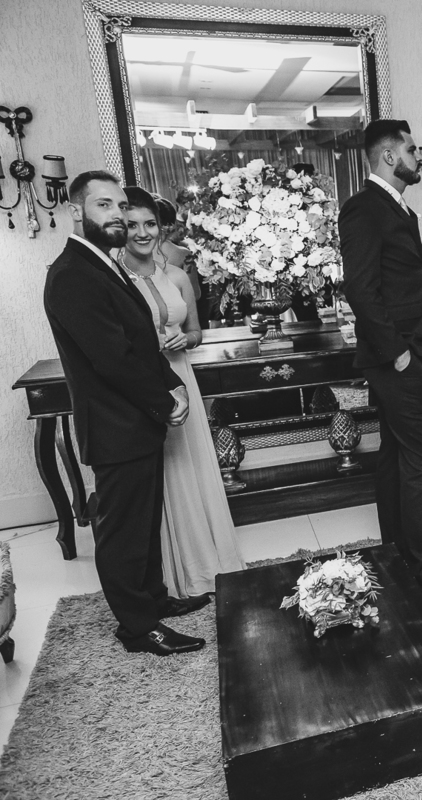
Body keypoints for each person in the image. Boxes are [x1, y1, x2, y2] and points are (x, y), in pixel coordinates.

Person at [43, 171, 207, 655]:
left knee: (143, 521)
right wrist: (164, 401)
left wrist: (172, 384)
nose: (116, 214)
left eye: (119, 205)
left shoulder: (104, 264)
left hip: (136, 420)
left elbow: (140, 342)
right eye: (103, 205)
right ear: (76, 211)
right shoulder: (72, 273)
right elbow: (112, 358)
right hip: (116, 425)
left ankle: (154, 599)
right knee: (121, 532)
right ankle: (138, 627)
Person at [339, 119, 422, 611]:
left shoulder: (399, 207)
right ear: (389, 156)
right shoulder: (363, 208)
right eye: (412, 150)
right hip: (393, 356)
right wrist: (397, 351)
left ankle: (400, 552)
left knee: (397, 455)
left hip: (406, 349)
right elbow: (361, 289)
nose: (419, 158)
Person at [118, 187, 244, 597]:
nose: (143, 233)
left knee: (190, 464)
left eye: (150, 224)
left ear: (161, 227)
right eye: (132, 225)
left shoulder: (176, 274)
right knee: (160, 471)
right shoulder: (113, 279)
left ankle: (205, 560)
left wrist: (184, 340)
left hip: (179, 374)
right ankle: (166, 574)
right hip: (141, 380)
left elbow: (195, 331)